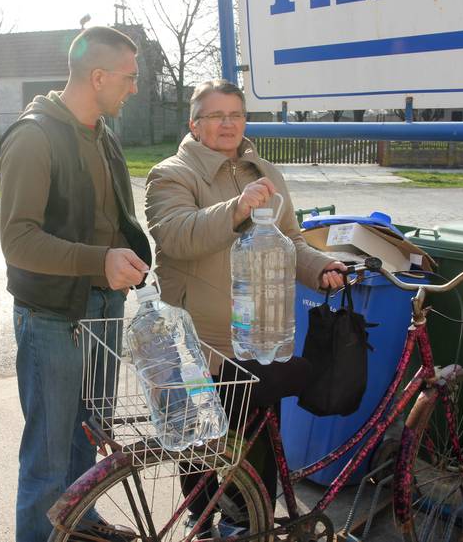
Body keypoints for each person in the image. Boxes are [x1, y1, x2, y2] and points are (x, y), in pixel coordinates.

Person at [144, 79, 346, 536]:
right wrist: (237, 209)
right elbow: (178, 235)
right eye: (216, 116)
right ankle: (203, 519)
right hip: (199, 341)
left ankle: (245, 524)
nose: (228, 124)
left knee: (252, 437)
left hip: (258, 335)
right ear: (194, 123)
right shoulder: (172, 174)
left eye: (236, 115)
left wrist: (319, 267)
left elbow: (291, 239)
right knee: (200, 440)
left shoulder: (264, 172)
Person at [0, 26, 151, 542]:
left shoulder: (102, 132)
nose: (134, 88)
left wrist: (129, 259)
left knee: (89, 436)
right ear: (98, 76)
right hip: (51, 319)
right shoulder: (33, 137)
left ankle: (81, 526)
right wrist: (98, 260)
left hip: (103, 308)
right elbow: (18, 241)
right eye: (128, 78)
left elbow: (109, 219)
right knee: (48, 455)